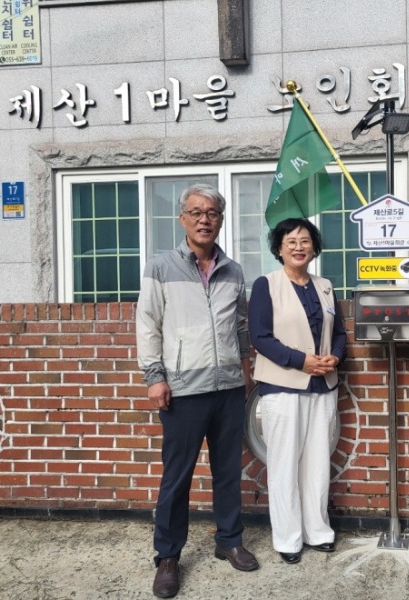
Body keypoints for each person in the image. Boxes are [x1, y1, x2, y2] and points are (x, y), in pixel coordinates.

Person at [137, 183, 259, 599]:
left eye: (212, 213)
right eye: (197, 212)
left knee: (228, 471)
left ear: (220, 220)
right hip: (183, 390)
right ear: (183, 218)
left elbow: (241, 327)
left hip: (227, 387)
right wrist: (154, 377)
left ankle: (229, 540)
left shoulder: (234, 270)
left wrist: (246, 373)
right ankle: (168, 555)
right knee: (177, 476)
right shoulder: (161, 267)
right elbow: (147, 326)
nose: (205, 219)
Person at [249, 218, 346, 565]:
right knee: (285, 463)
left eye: (305, 240)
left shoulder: (325, 286)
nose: (298, 247)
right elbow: (259, 337)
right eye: (291, 241)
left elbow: (340, 333)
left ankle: (318, 531)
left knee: (318, 461)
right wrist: (300, 361)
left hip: (323, 384)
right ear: (279, 248)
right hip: (283, 385)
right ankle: (288, 538)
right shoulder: (266, 285)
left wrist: (335, 356)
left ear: (314, 247)